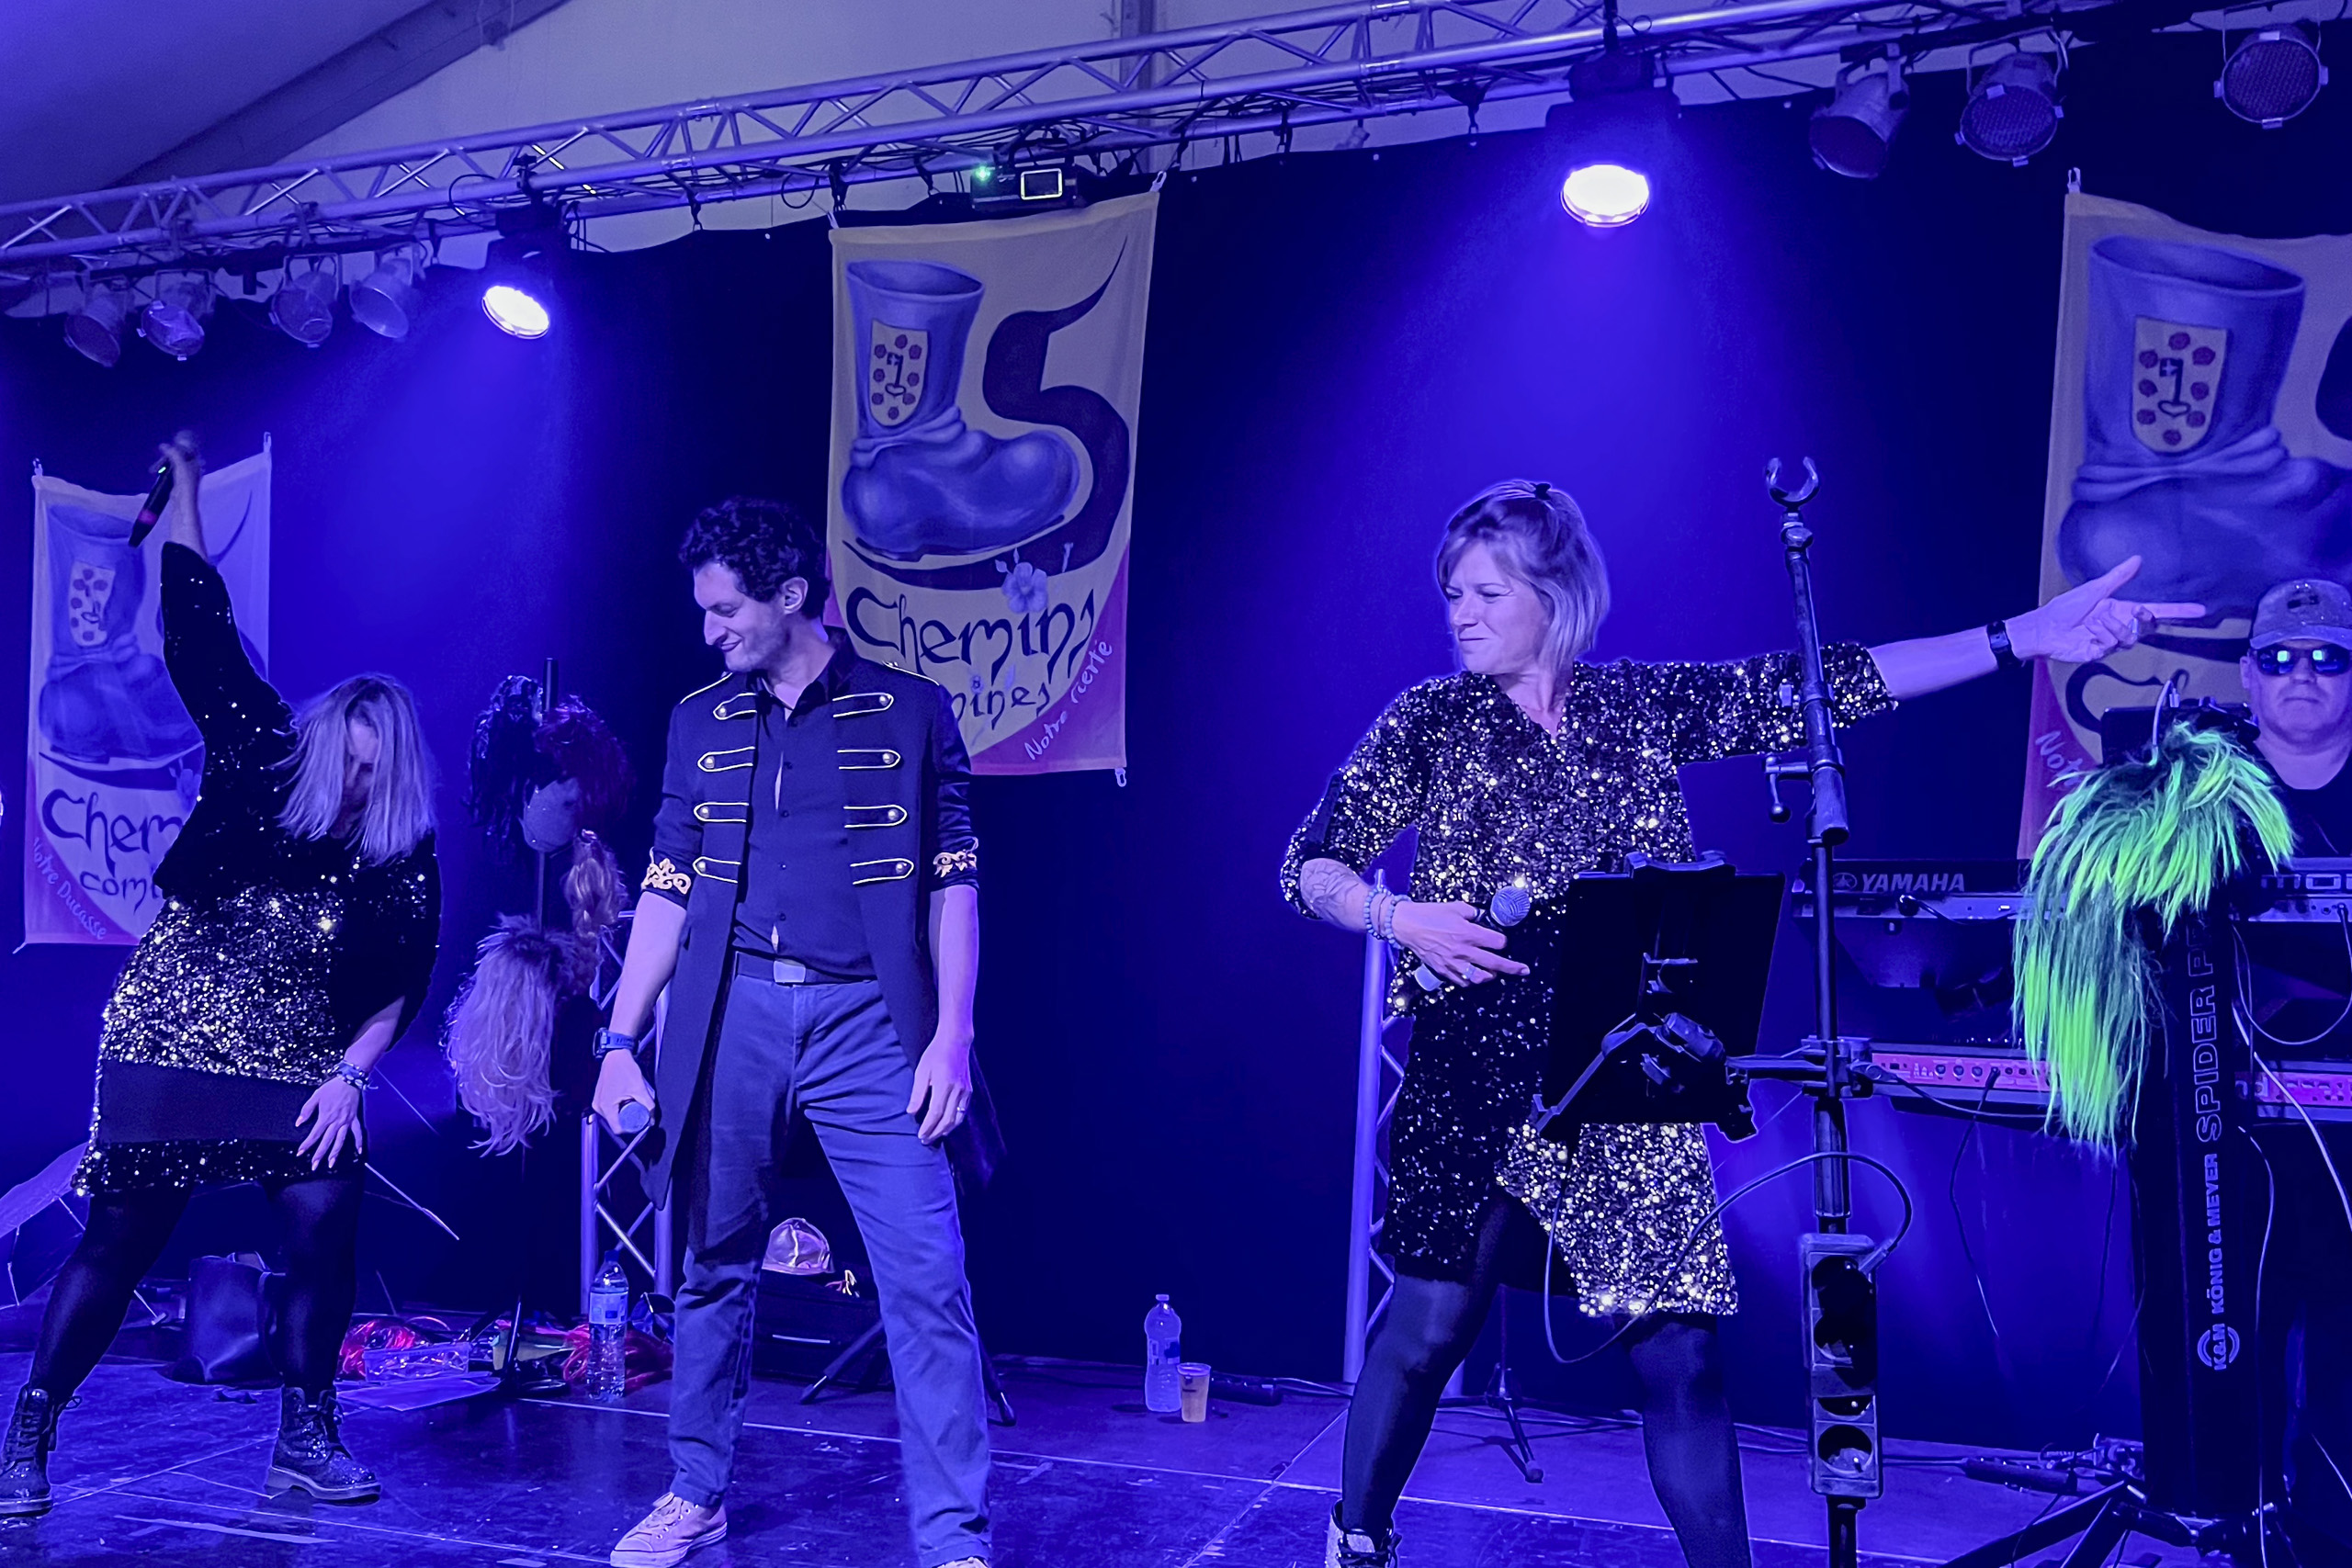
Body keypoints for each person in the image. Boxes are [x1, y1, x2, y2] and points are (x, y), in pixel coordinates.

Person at [1281, 479, 2197, 1568]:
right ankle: (1358, 1536)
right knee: (1431, 1327)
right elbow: (1311, 865)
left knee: (1680, 1355)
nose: (1460, 615)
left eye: (1485, 593)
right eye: (1452, 595)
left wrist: (2024, 637)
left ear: (1555, 596)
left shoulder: (1636, 707)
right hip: (1472, 1071)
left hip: (1621, 1070)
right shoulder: (1429, 721)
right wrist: (1397, 916)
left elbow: (1828, 684)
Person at [0, 443, 442, 1516]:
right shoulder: (265, 750)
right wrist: (188, 493)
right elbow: (198, 621)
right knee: (122, 1236)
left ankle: (306, 1435)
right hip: (172, 1025)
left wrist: (351, 1075)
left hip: (299, 1053)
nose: (357, 786)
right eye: (350, 763)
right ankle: (30, 1432)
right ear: (326, 741)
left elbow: (401, 977)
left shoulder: (399, 847)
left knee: (325, 1216)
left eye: (376, 774)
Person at [594, 497, 1001, 1568]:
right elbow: (667, 885)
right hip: (731, 1014)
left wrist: (952, 1036)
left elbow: (953, 884)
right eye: (704, 611)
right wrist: (618, 1041)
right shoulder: (699, 721)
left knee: (925, 1276)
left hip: (871, 1021)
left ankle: (953, 1542)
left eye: (726, 610)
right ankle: (695, 1496)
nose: (709, 631)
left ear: (788, 596)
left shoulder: (910, 712)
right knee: (711, 1263)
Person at [2234, 577, 2352, 1562]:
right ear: (2246, 677)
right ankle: (2244, 1526)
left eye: (2327, 657)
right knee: (2236, 1328)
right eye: (2278, 658)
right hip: (2230, 1123)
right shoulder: (2201, 798)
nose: (2301, 674)